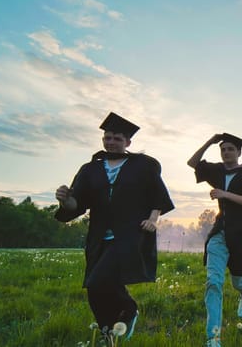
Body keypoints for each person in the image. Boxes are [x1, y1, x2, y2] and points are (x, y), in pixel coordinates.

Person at [54, 112, 174, 340]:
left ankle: (129, 310)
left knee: (99, 279)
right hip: (99, 236)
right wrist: (64, 199)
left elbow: (158, 196)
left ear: (128, 142)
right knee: (95, 287)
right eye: (107, 138)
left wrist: (153, 219)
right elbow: (76, 203)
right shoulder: (90, 169)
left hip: (131, 233)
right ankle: (108, 332)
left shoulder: (144, 165)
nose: (111, 142)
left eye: (117, 138)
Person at [187, 133, 242, 347]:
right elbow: (193, 162)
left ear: (239, 152)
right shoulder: (218, 171)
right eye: (222, 149)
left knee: (237, 276)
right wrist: (209, 141)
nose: (225, 153)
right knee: (213, 282)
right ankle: (213, 337)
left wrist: (225, 194)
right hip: (220, 232)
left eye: (230, 149)